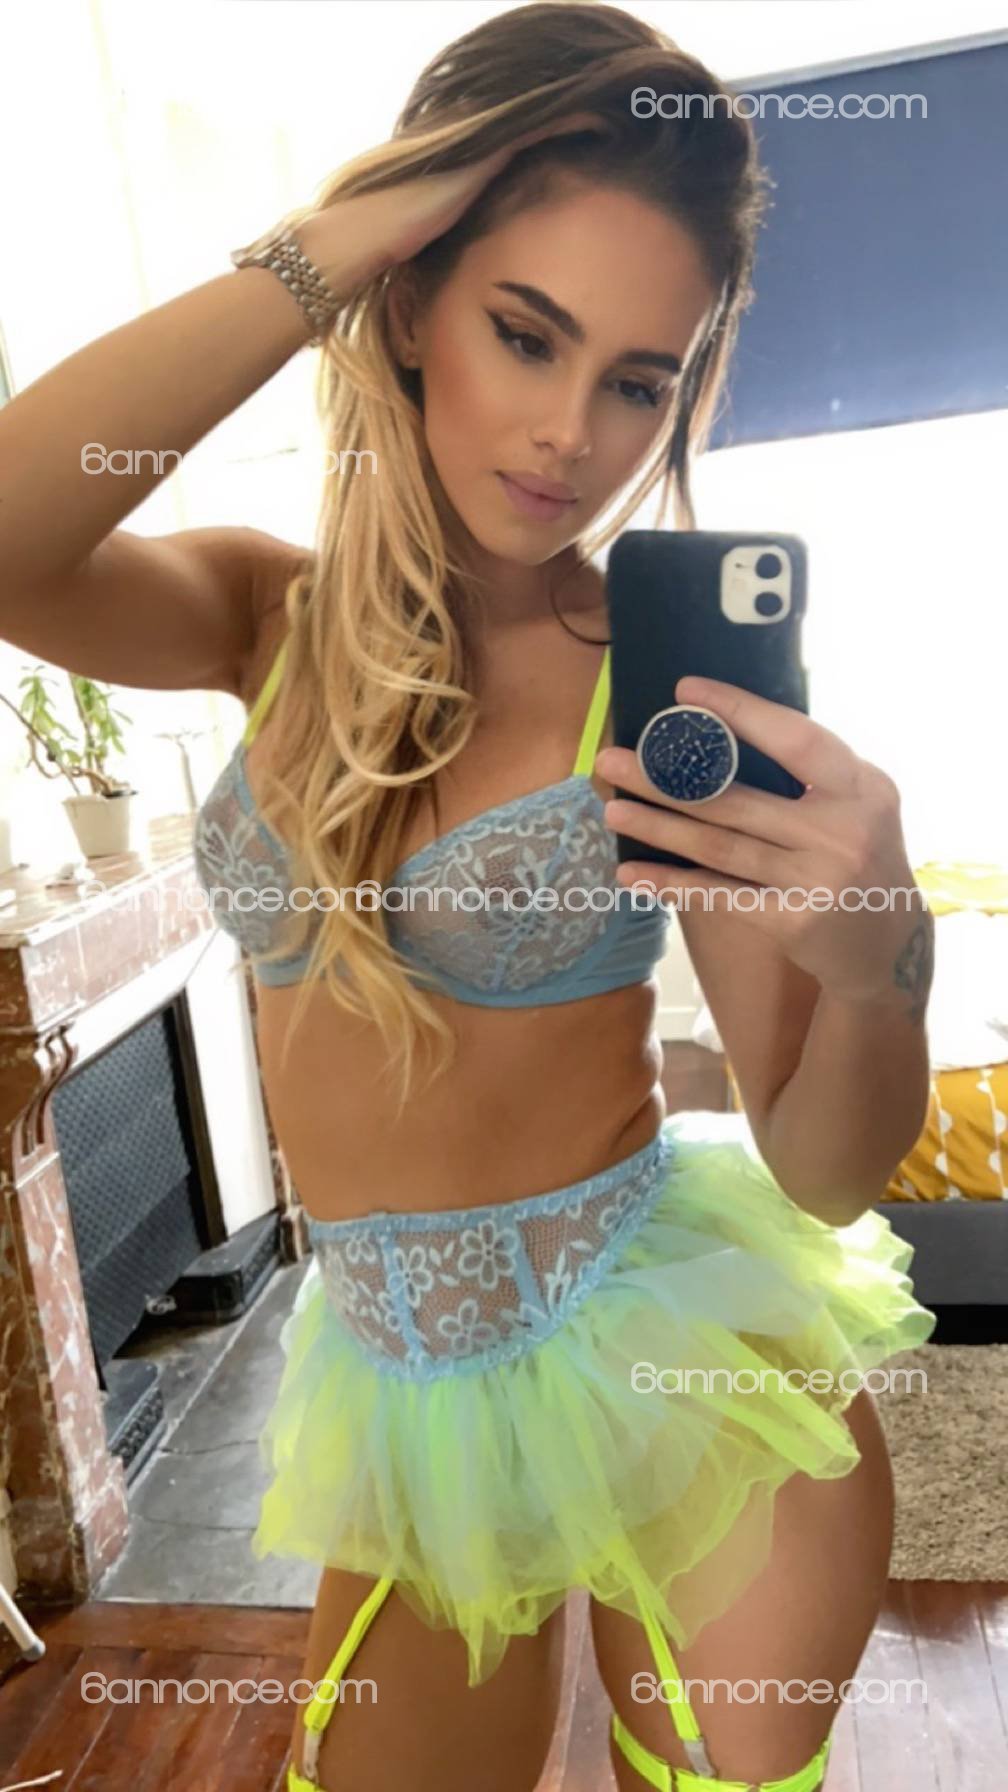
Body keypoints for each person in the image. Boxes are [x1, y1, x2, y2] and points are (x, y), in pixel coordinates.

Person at [0, 5, 937, 1788]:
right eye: (526, 332)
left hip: (670, 1350)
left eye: (638, 380)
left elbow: (825, 1168)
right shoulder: (259, 620)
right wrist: (333, 242)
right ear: (412, 300)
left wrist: (883, 964)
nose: (571, 433)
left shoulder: (668, 701)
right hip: (399, 1393)